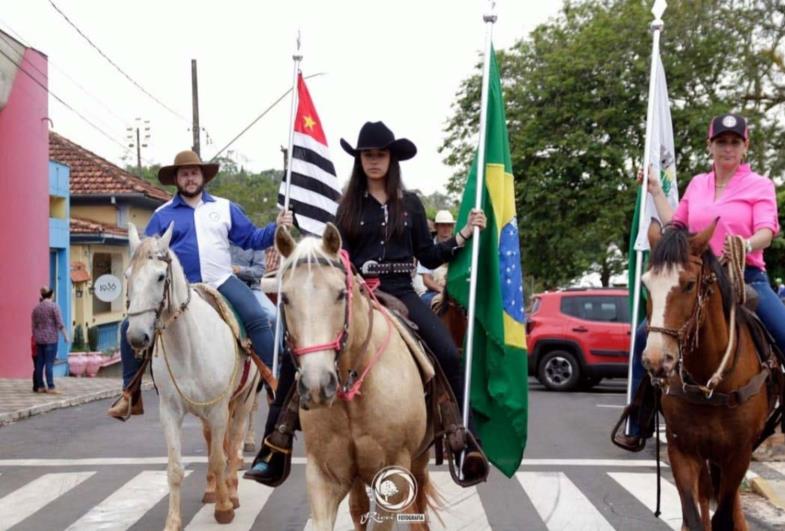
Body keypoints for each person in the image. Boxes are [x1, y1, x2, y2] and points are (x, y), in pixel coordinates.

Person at [245, 120, 487, 485]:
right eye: (367, 156)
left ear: (391, 160)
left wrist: (464, 235)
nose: (374, 161)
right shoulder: (347, 207)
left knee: (448, 354)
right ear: (359, 161)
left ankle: (462, 440)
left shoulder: (412, 206)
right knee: (293, 349)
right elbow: (337, 256)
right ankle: (274, 445)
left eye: (380, 155)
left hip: (402, 291)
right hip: (360, 291)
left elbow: (428, 254)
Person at [616, 113, 785, 451]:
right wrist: (654, 190)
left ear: (745, 146)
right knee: (641, 337)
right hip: (700, 279)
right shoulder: (698, 184)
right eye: (721, 141)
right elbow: (676, 225)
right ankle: (639, 420)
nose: (728, 148)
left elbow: (768, 230)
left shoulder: (760, 185)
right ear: (711, 145)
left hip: (745, 276)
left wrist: (745, 243)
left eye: (735, 142)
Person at [107, 150, 292, 419]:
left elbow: (252, 238)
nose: (190, 178)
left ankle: (277, 383)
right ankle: (129, 394)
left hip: (221, 281)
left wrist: (275, 228)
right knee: (128, 327)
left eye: (194, 173)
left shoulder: (224, 207)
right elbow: (147, 256)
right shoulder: (162, 214)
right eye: (184, 174)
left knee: (258, 317)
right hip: (180, 289)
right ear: (177, 179)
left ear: (203, 176)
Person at [230, 244, 278, 367]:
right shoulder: (219, 237)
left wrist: (239, 270)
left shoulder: (254, 240)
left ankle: (276, 359)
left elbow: (259, 271)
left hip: (251, 288)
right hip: (222, 286)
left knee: (272, 315)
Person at [31, 286, 70, 394]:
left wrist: (36, 336)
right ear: (51, 295)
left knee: (40, 363)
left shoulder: (36, 309)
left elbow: (33, 326)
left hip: (39, 339)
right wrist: (66, 336)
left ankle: (40, 386)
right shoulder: (54, 307)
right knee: (49, 363)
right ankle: (51, 386)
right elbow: (60, 323)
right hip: (51, 339)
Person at [416, 209, 457, 307]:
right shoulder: (427, 249)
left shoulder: (459, 246)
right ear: (436, 226)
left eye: (449, 225)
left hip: (457, 291)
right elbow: (426, 279)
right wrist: (443, 291)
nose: (446, 228)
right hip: (434, 291)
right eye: (443, 225)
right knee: (423, 302)